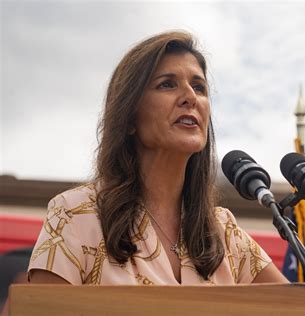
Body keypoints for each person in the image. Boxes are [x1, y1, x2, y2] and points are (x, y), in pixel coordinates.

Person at [28, 31, 289, 285]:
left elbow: (302, 307)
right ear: (129, 117)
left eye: (199, 87)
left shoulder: (225, 234)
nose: (190, 97)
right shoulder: (75, 213)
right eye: (167, 84)